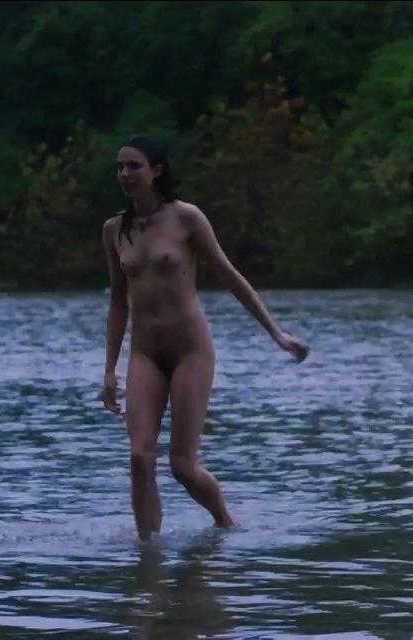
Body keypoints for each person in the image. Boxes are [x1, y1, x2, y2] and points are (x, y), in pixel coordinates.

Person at [100, 134, 309, 541]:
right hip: (144, 354)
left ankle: (225, 524)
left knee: (182, 466)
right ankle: (148, 559)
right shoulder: (114, 230)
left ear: (156, 171)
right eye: (120, 166)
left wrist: (277, 333)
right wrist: (109, 370)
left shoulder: (186, 218)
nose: (125, 173)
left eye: (134, 165)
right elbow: (117, 303)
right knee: (140, 459)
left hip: (189, 351)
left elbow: (230, 276)